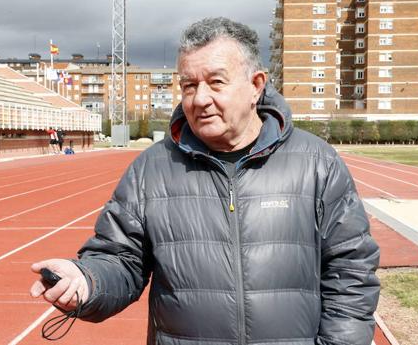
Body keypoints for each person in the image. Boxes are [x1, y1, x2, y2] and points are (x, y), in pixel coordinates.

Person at [30, 17, 380, 345]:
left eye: (215, 82)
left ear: (256, 85)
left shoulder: (317, 163)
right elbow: (120, 260)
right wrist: (87, 281)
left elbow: (351, 273)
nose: (200, 99)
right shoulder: (151, 169)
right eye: (189, 85)